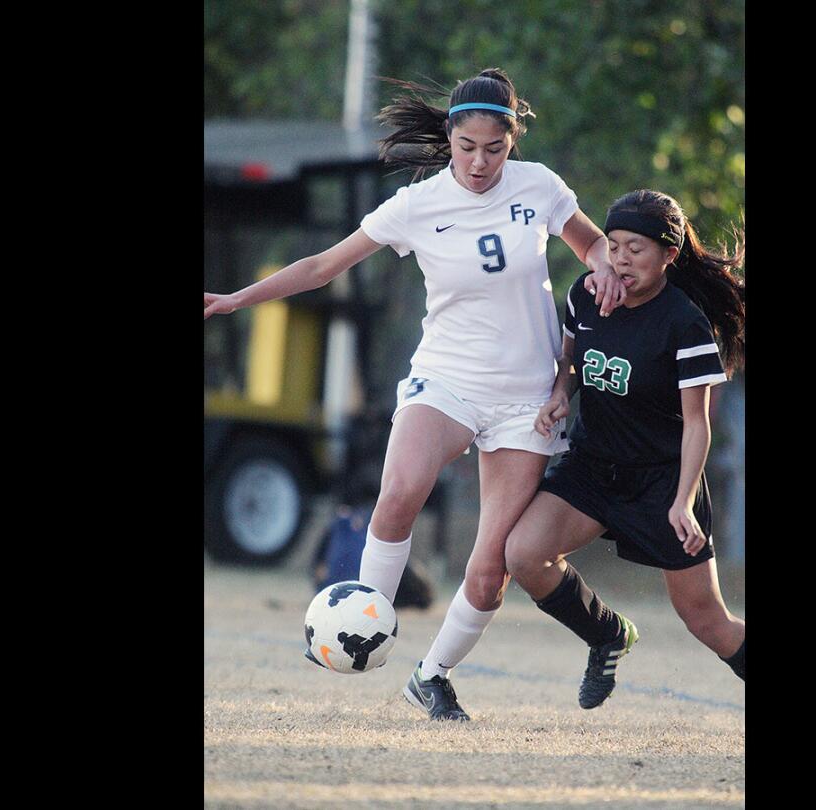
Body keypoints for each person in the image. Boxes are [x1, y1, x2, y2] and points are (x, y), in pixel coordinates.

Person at [204, 68, 627, 721]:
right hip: (447, 377)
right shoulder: (416, 205)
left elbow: (593, 245)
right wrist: (238, 298)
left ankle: (433, 678)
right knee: (399, 491)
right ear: (450, 139)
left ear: (512, 139)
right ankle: (366, 625)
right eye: (468, 148)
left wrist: (605, 270)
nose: (482, 161)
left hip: (527, 399)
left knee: (490, 569)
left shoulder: (539, 186)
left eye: (495, 147)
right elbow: (323, 266)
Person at [504, 189, 746, 711]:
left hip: (663, 480)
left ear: (669, 256)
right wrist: (559, 397)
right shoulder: (586, 296)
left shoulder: (684, 322)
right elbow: (569, 363)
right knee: (524, 555)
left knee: (707, 622)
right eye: (613, 246)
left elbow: (697, 425)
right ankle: (607, 635)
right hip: (593, 468)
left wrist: (682, 502)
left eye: (636, 248)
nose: (621, 258)